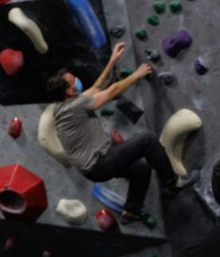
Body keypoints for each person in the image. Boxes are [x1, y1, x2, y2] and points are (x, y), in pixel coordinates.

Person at [47, 42, 196, 221]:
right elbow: (112, 91)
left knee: (141, 168)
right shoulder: (75, 106)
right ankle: (173, 183)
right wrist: (137, 74)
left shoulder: (63, 107)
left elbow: (98, 87)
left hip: (93, 165)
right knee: (147, 140)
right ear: (70, 91)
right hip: (99, 164)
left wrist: (112, 60)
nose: (78, 80)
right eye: (74, 81)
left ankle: (131, 210)